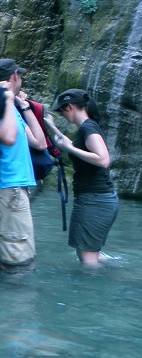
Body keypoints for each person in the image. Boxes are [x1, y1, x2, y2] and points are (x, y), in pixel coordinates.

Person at [0, 59, 47, 268]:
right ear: (15, 76)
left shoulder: (12, 110)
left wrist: (24, 107)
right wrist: (9, 100)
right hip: (9, 193)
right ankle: (14, 301)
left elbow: (40, 143)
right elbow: (6, 138)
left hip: (9, 192)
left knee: (3, 258)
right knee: (18, 264)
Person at [44, 89, 119, 265]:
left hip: (95, 200)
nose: (62, 114)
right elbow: (73, 146)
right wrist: (52, 127)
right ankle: (115, 272)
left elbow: (103, 160)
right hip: (98, 199)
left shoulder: (88, 128)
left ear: (69, 107)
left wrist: (69, 149)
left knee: (88, 258)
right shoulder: (87, 127)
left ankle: (99, 288)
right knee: (90, 252)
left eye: (61, 111)